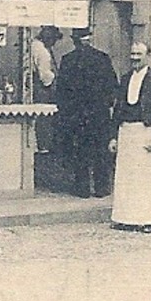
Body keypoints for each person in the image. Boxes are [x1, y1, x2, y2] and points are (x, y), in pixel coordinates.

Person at [110, 41, 151, 233]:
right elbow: (118, 109)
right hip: (126, 132)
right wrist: (114, 137)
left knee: (145, 178)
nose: (135, 58)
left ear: (148, 56)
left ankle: (147, 219)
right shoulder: (126, 78)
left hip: (145, 133)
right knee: (125, 177)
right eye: (133, 54)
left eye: (139, 54)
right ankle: (124, 218)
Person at [55, 26, 119, 198]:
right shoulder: (103, 58)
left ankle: (82, 188)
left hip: (77, 115)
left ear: (75, 40)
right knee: (100, 151)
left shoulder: (68, 60)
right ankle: (102, 188)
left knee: (81, 151)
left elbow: (61, 90)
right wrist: (106, 104)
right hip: (99, 114)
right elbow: (113, 86)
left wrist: (67, 111)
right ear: (89, 38)